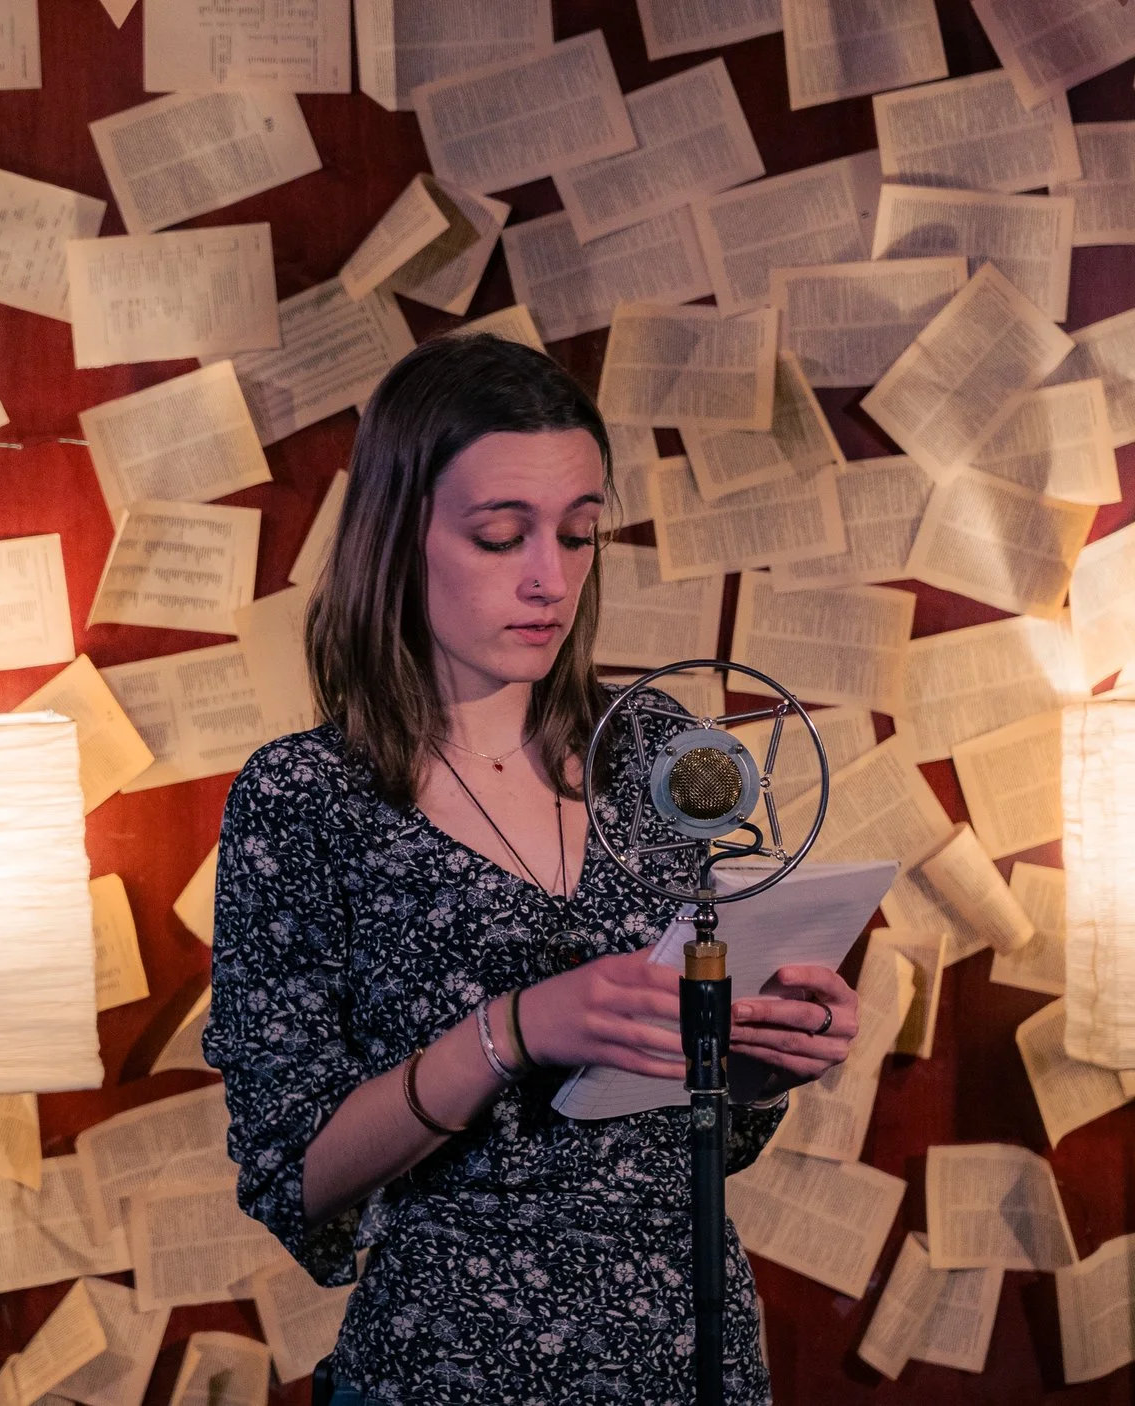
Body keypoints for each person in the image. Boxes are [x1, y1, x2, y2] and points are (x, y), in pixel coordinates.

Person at [204, 333, 862, 1406]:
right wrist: (513, 1029)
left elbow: (710, 1138)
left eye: (579, 533)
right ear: (396, 535)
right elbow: (297, 1174)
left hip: (687, 1355)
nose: (549, 578)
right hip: (450, 1364)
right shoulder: (305, 798)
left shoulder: (659, 754)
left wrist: (761, 1059)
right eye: (500, 535)